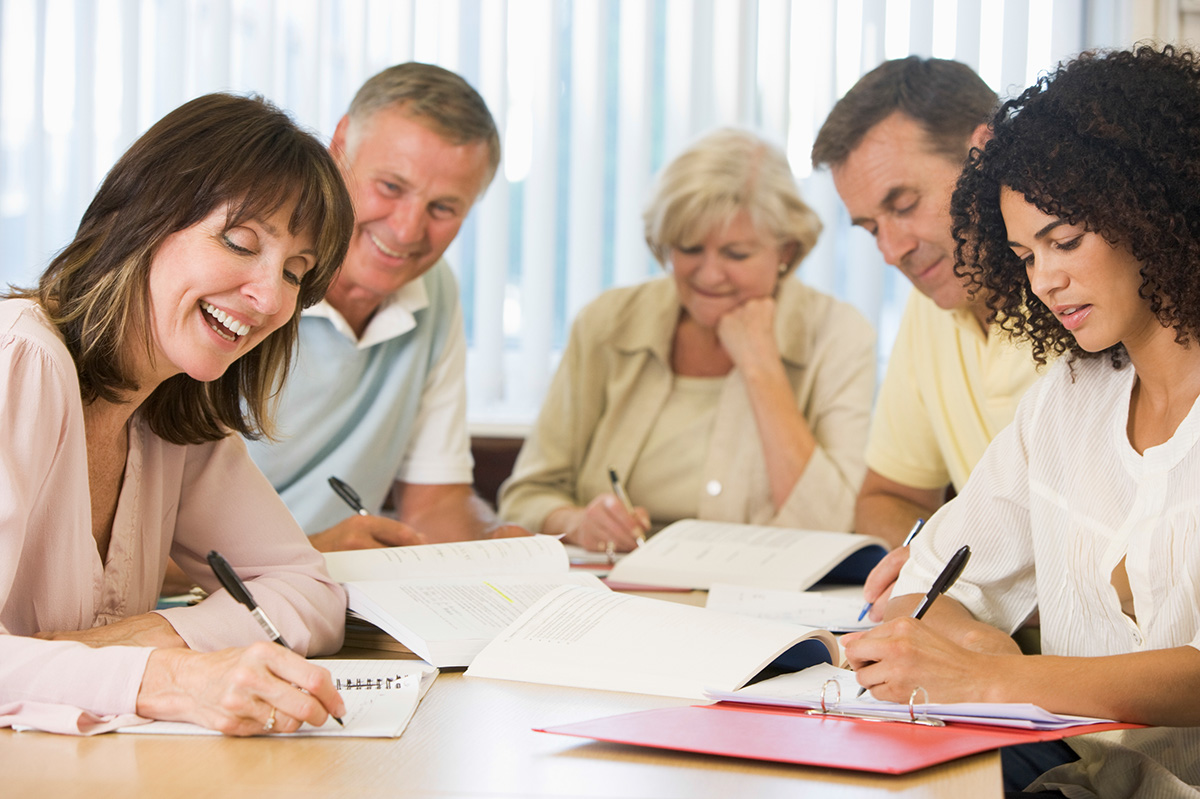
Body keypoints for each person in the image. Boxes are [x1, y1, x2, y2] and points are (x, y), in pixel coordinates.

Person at [844, 45, 1200, 797]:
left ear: (1157, 210)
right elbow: (923, 590)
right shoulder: (1067, 400)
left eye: (1065, 241)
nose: (1045, 280)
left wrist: (994, 674)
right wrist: (965, 650)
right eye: (1023, 254)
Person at [0, 93, 354, 736]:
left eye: (296, 273)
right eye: (241, 242)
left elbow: (308, 592)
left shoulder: (175, 409)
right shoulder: (17, 360)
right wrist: (169, 676)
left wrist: (150, 635)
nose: (271, 297)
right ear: (140, 218)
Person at [498, 129, 876, 552]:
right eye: (690, 248)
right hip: (614, 591)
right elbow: (524, 497)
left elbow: (834, 526)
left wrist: (760, 367)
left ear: (785, 250)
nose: (710, 275)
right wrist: (578, 522)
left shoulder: (838, 334)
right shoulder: (607, 323)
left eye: (737, 254)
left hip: (760, 597)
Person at [243, 62, 523, 553]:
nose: (407, 230)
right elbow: (143, 537)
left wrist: (496, 543)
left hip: (332, 598)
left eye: (443, 209)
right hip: (199, 600)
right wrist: (312, 552)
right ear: (339, 145)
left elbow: (435, 505)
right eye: (391, 188)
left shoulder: (436, 293)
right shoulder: (246, 274)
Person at [811, 57, 1044, 619]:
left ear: (984, 153)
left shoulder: (1083, 297)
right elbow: (885, 499)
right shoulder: (932, 301)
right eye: (870, 228)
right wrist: (924, 555)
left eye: (904, 205)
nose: (890, 251)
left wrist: (957, 578)